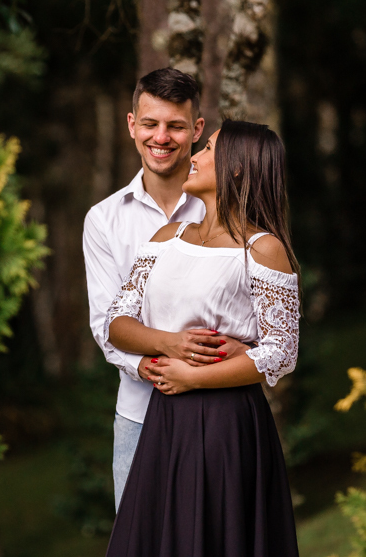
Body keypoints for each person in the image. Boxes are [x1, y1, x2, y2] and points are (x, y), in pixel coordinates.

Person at [103, 120, 302, 557]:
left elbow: (281, 351)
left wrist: (193, 379)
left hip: (225, 423)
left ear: (235, 167)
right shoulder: (165, 239)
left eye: (208, 148)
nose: (193, 156)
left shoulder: (261, 248)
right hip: (164, 419)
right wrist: (168, 344)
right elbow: (117, 322)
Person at [83, 68, 250, 511]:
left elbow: (262, 321)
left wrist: (218, 358)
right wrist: (164, 360)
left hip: (217, 415)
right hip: (139, 416)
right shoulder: (104, 219)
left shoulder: (233, 215)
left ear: (196, 130)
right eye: (151, 123)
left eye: (176, 126)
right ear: (132, 125)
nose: (162, 137)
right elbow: (107, 327)